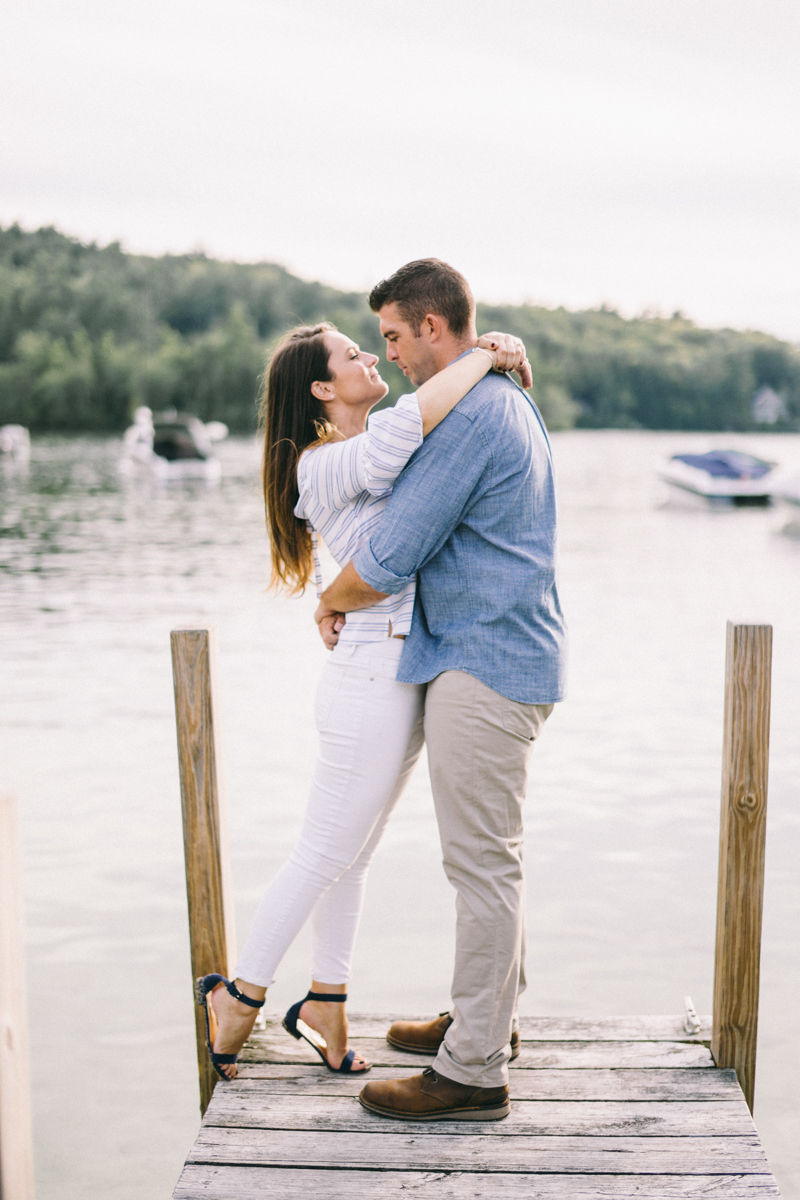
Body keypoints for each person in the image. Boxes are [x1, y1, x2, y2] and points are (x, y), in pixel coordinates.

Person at [195, 317, 531, 1080]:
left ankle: (327, 999)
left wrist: (495, 350)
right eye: (353, 354)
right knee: (323, 852)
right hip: (368, 675)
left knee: (354, 857)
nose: (370, 357)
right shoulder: (325, 462)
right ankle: (239, 995)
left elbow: (421, 439)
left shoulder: (367, 441)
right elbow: (415, 421)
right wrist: (485, 352)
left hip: (398, 668)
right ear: (321, 388)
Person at [314, 258, 567, 1120]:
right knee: (494, 859)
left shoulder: (472, 416)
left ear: (432, 327)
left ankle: (473, 1072)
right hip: (500, 656)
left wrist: (327, 597)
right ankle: (486, 1021)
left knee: (481, 865)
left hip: (483, 663)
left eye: (393, 337)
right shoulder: (499, 395)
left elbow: (391, 555)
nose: (392, 359)